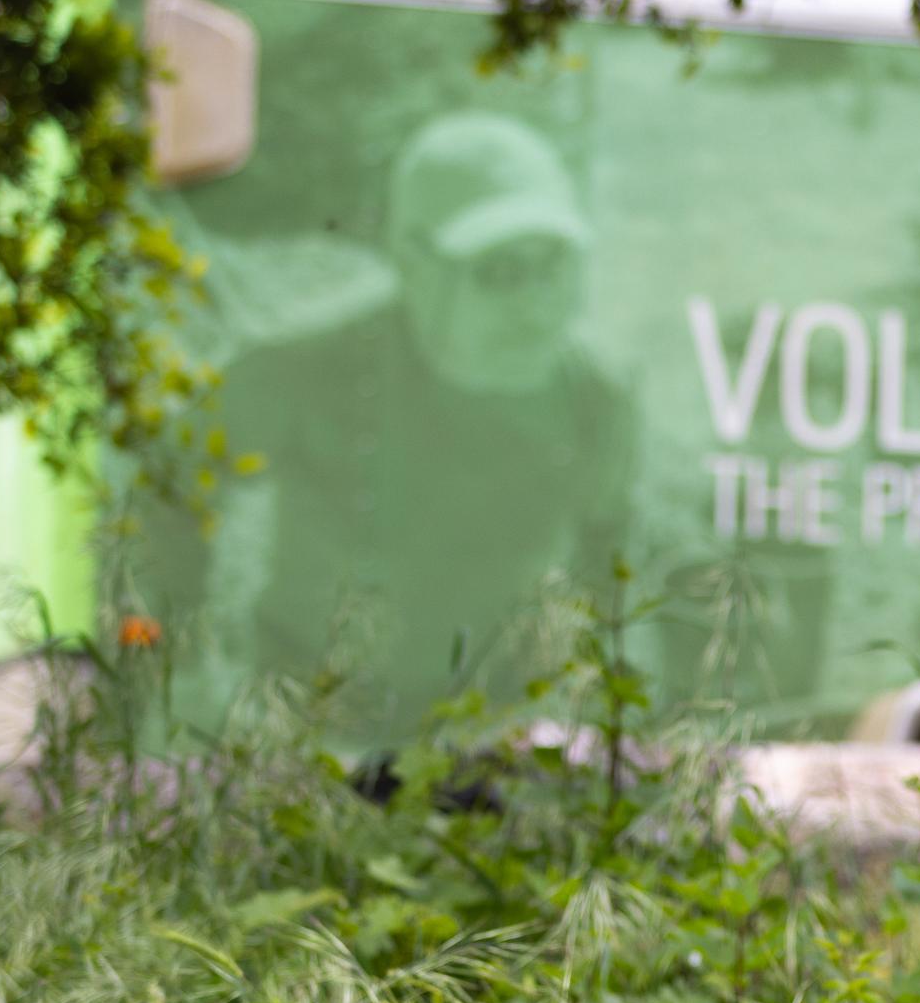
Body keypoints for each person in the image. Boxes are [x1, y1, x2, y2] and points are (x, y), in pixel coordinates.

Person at [172, 110, 639, 744]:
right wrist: (171, 654)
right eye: (500, 271)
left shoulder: (596, 399)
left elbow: (610, 553)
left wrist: (579, 703)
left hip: (489, 734)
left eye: (552, 263)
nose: (535, 304)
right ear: (415, 264)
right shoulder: (306, 366)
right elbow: (167, 475)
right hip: (311, 726)